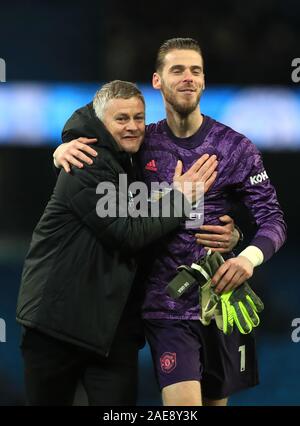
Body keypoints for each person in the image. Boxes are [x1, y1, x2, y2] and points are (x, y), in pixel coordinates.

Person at [53, 38, 287, 407]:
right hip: (166, 306)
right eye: (177, 70)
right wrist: (63, 145)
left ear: (205, 81)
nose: (188, 77)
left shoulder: (235, 147)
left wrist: (246, 255)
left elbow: (272, 218)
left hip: (219, 301)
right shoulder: (140, 141)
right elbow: (94, 129)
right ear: (158, 81)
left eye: (195, 70)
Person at [16, 80, 222, 406]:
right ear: (101, 124)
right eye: (121, 119)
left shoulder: (133, 161)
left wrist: (231, 231)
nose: (132, 127)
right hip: (58, 329)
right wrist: (180, 198)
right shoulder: (85, 161)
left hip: (115, 333)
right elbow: (126, 234)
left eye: (138, 118)